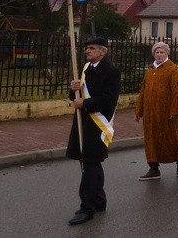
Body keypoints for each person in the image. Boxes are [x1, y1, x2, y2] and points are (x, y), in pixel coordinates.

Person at [66, 37, 120, 226]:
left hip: (98, 123)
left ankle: (86, 207)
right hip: (83, 121)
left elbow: (109, 99)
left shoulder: (111, 71)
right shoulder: (85, 68)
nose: (87, 51)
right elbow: (76, 96)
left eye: (92, 48)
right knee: (90, 162)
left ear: (102, 51)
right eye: (87, 48)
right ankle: (98, 200)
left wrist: (85, 103)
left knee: (90, 162)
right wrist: (73, 91)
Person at [135, 41, 178, 181]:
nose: (159, 54)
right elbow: (143, 90)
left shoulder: (173, 69)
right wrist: (139, 110)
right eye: (157, 52)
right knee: (150, 139)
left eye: (162, 52)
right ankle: (153, 168)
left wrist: (175, 110)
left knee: (169, 139)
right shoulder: (150, 69)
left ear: (167, 53)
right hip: (150, 114)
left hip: (166, 113)